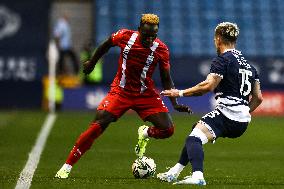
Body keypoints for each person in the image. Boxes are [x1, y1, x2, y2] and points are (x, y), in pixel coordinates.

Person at [55, 13, 191, 179]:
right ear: (139, 29)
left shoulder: (161, 49)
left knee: (168, 130)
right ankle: (67, 166)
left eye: (153, 36)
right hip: (121, 91)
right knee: (98, 124)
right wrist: (92, 62)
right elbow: (105, 44)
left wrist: (175, 103)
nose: (149, 40)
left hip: (145, 94)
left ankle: (145, 133)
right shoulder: (124, 36)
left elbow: (166, 78)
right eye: (146, 36)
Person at [158, 22, 263, 185]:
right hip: (242, 121)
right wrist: (244, 112)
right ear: (235, 40)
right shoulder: (250, 66)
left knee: (194, 139)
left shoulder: (223, 60)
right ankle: (174, 172)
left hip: (227, 114)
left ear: (218, 39)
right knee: (196, 131)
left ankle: (197, 176)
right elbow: (258, 98)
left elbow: (207, 86)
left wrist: (178, 93)